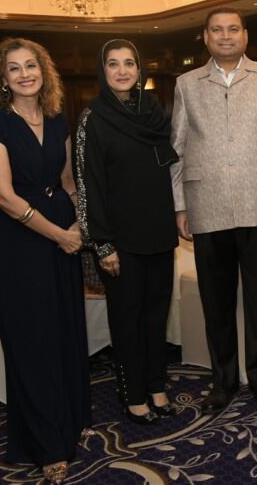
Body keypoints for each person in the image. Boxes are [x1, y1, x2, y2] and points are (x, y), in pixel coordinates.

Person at [0, 38, 91, 484]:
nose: (25, 74)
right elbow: (4, 196)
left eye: (31, 66)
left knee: (63, 328)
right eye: (14, 69)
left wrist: (79, 222)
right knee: (31, 338)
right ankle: (44, 444)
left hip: (61, 227)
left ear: (44, 71)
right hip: (19, 239)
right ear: (1, 79)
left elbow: (66, 181)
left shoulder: (59, 117)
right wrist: (60, 234)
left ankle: (68, 418)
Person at [170, 7, 257, 413]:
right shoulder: (186, 84)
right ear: (205, 37)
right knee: (215, 301)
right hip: (207, 204)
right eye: (217, 30)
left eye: (232, 29)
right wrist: (180, 205)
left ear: (245, 35)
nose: (225, 36)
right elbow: (177, 147)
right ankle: (222, 381)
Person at [75, 39, 179, 425]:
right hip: (119, 240)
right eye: (114, 64)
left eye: (130, 63)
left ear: (140, 70)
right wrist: (102, 244)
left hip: (159, 231)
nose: (122, 71)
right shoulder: (92, 118)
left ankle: (156, 386)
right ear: (103, 71)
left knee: (156, 316)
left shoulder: (153, 112)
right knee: (127, 319)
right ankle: (133, 392)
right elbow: (88, 186)